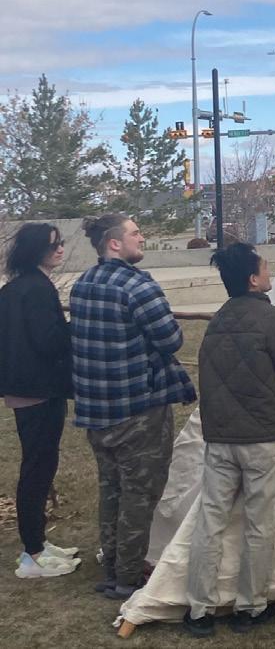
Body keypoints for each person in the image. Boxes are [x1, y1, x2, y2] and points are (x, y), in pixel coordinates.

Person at [183, 243, 275, 638]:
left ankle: (199, 609)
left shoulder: (218, 320)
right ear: (253, 280)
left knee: (211, 520)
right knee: (260, 522)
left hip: (220, 436)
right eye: (264, 266)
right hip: (259, 437)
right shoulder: (271, 318)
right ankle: (250, 606)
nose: (269, 269)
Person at [70, 213, 196, 600]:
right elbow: (171, 339)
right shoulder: (137, 285)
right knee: (139, 494)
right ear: (114, 243)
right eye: (135, 233)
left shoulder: (82, 284)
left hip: (96, 410)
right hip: (138, 409)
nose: (142, 238)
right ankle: (128, 576)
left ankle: (111, 568)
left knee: (111, 491)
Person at [0, 223, 80, 580]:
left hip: (24, 388)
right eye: (53, 245)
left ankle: (39, 544)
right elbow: (49, 341)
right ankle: (32, 552)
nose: (60, 249)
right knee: (38, 468)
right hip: (39, 390)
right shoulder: (37, 289)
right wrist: (73, 329)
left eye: (60, 243)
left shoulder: (15, 288)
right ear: (36, 250)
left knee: (38, 466)